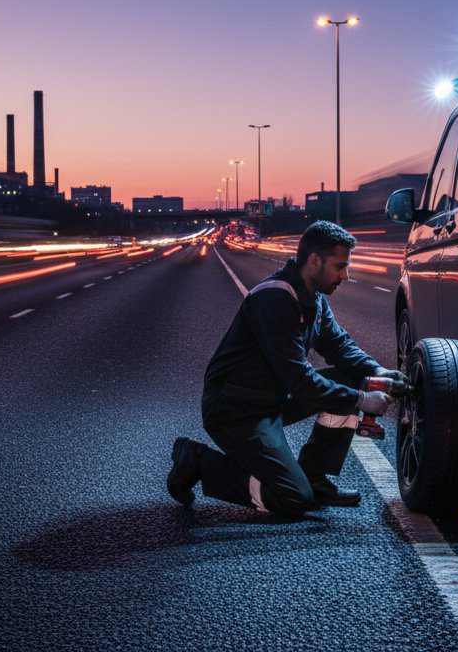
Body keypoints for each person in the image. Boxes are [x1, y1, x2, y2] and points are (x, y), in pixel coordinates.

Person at [167, 221, 408, 517]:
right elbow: (300, 381)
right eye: (339, 266)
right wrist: (361, 400)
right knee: (292, 498)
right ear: (314, 261)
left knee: (354, 377)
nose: (345, 275)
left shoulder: (314, 297)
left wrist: (378, 373)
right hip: (236, 409)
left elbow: (338, 345)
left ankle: (315, 478)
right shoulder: (275, 299)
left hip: (272, 398)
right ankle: (198, 461)